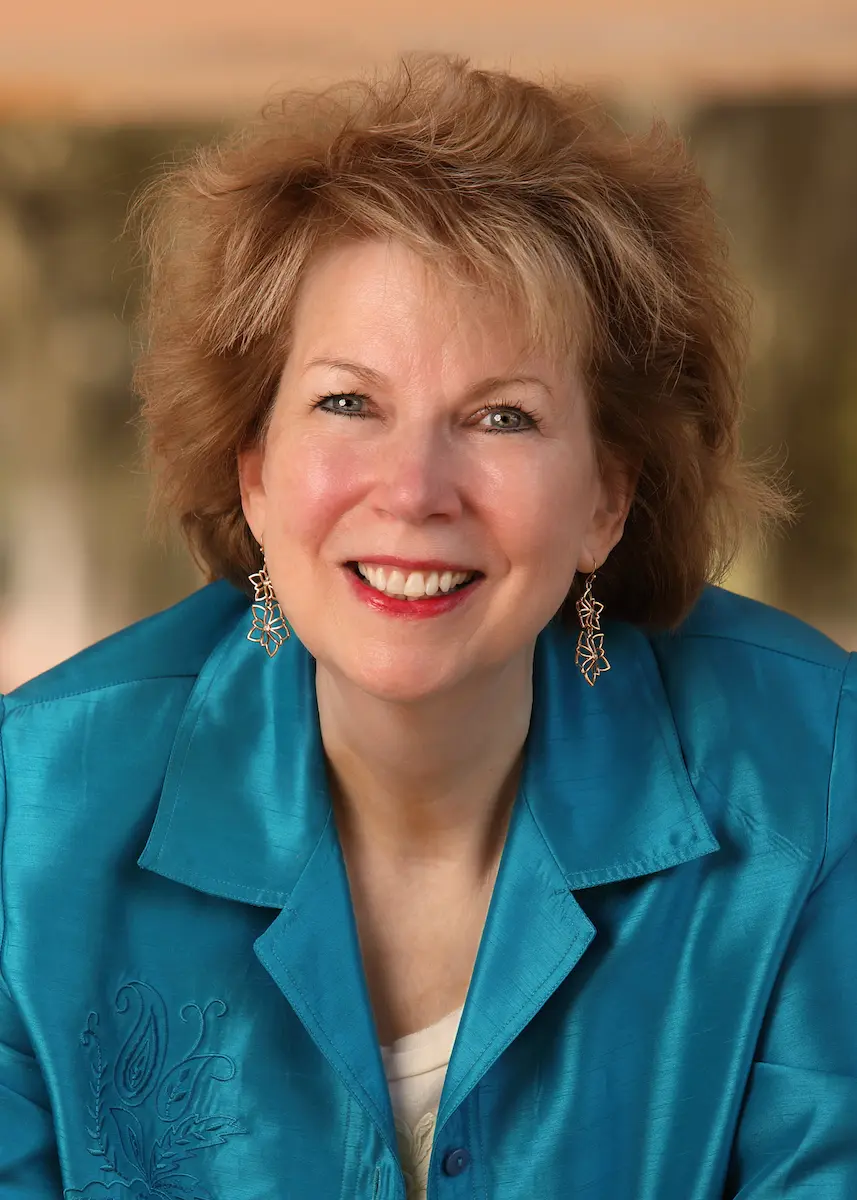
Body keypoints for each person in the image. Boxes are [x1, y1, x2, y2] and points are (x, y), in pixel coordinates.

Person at [0, 53, 854, 1200]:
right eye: (347, 403)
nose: (412, 490)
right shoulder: (31, 813)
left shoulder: (812, 776)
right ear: (253, 470)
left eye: (501, 416)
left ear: (606, 497)